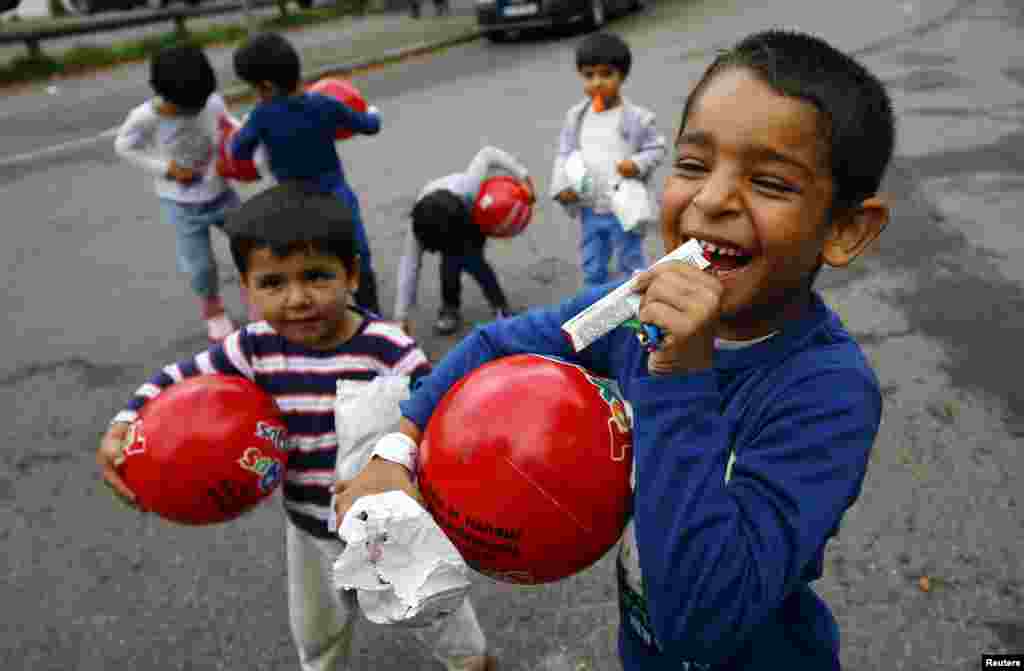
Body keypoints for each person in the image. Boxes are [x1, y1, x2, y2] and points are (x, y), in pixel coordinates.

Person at [335, 28, 895, 670]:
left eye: (769, 182)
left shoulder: (826, 392)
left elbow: (698, 623)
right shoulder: (630, 310)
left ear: (847, 229)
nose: (712, 199)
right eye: (692, 165)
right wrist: (396, 448)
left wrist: (682, 375)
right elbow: (495, 344)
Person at [96, 182, 497, 671]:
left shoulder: (391, 352)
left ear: (350, 275)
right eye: (272, 283)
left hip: (389, 526)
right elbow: (176, 380)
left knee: (437, 611)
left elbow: (439, 424)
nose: (297, 298)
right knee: (317, 627)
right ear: (245, 288)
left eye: (316, 276)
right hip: (308, 530)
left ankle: (470, 659)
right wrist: (124, 423)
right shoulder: (253, 348)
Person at [229, 32, 384, 315]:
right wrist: (374, 112)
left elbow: (238, 151)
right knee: (356, 252)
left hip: (292, 200)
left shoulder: (261, 115)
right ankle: (371, 314)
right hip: (334, 193)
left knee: (302, 258)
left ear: (265, 86)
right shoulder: (324, 104)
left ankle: (310, 309)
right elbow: (369, 124)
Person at [114, 43, 241, 343]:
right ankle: (213, 309)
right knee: (200, 266)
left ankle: (256, 295)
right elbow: (124, 147)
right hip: (182, 205)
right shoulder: (145, 118)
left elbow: (227, 125)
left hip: (222, 193)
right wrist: (168, 169)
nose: (198, 109)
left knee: (251, 244)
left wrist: (236, 143)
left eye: (202, 102)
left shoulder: (210, 101)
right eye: (190, 107)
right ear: (162, 93)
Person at [549, 32, 667, 290]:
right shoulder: (577, 117)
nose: (597, 82)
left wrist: (637, 163)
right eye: (589, 75)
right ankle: (596, 311)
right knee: (592, 264)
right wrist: (561, 187)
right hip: (590, 207)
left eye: (606, 74)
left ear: (622, 76)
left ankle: (638, 308)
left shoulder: (636, 118)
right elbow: (565, 153)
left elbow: (657, 148)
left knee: (631, 263)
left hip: (623, 207)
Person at [395, 145, 535, 336]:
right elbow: (409, 267)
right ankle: (450, 308)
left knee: (473, 261)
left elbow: (487, 153)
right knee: (450, 263)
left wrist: (523, 176)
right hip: (445, 217)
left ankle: (499, 305)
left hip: (471, 214)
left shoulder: (469, 188)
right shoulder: (419, 225)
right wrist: (400, 317)